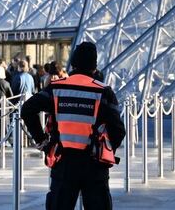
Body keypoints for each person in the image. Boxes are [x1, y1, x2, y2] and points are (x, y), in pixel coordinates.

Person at [21, 42, 126, 210]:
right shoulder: (103, 92)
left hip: (63, 161)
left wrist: (43, 142)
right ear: (94, 66)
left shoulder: (56, 88)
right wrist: (106, 149)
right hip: (94, 163)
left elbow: (27, 110)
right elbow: (119, 130)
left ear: (73, 64)